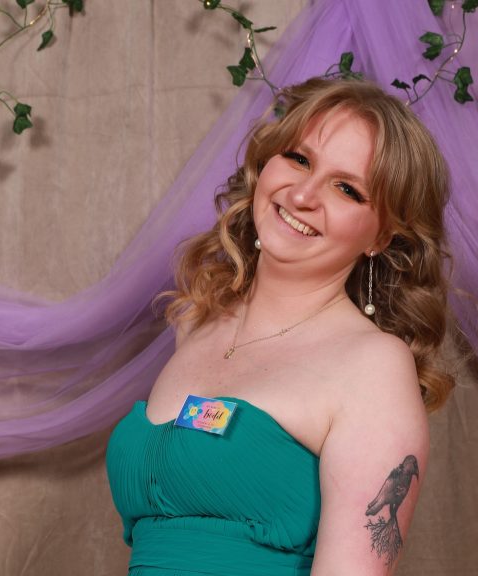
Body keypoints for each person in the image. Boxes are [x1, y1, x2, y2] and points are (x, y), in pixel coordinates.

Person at [106, 77, 457, 575]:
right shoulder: (196, 322)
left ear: (380, 236)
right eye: (299, 159)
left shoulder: (373, 366)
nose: (304, 194)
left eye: (347, 189)